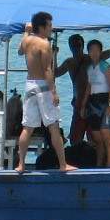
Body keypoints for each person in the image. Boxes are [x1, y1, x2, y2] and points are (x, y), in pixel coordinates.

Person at [13, 11, 78, 173]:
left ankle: (21, 164)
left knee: (27, 127)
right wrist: (54, 91)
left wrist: (26, 32)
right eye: (49, 25)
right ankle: (63, 164)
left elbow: (20, 51)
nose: (51, 28)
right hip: (43, 87)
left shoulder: (27, 41)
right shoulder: (44, 44)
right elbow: (47, 70)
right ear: (41, 27)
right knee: (53, 127)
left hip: (30, 85)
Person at [58, 33, 110, 145]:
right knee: (75, 137)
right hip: (79, 102)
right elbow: (55, 73)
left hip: (93, 102)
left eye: (78, 45)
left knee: (95, 136)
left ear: (82, 45)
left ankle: (95, 159)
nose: (76, 48)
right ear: (70, 47)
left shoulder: (90, 58)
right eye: (73, 46)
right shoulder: (69, 62)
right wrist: (54, 54)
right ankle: (79, 159)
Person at [82, 38, 110, 167]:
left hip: (104, 102)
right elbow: (88, 87)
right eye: (91, 50)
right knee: (97, 139)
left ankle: (109, 166)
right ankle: (99, 164)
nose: (94, 53)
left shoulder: (105, 66)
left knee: (106, 134)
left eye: (97, 50)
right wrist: (84, 105)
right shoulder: (89, 68)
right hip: (93, 103)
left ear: (101, 51)